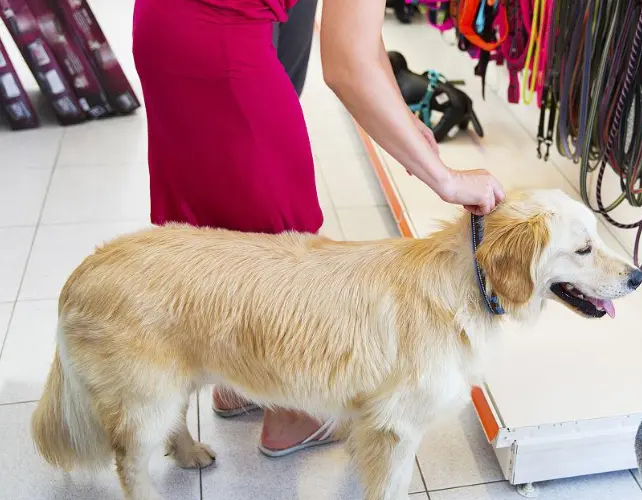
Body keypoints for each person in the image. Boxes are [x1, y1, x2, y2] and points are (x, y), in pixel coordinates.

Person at [132, 0, 505, 457]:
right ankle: (292, 415)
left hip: (166, 28)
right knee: (283, 235)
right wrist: (445, 178)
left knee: (224, 221)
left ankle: (237, 380)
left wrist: (404, 120)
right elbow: (348, 62)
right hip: (221, 48)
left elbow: (361, 34)